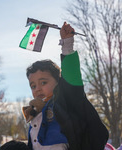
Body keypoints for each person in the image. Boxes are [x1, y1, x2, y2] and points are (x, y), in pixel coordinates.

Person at [24, 22, 109, 150]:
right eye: (33, 86)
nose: (38, 89)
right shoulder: (34, 113)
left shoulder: (66, 100)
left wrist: (67, 42)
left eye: (43, 82)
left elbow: (71, 75)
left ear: (59, 82)